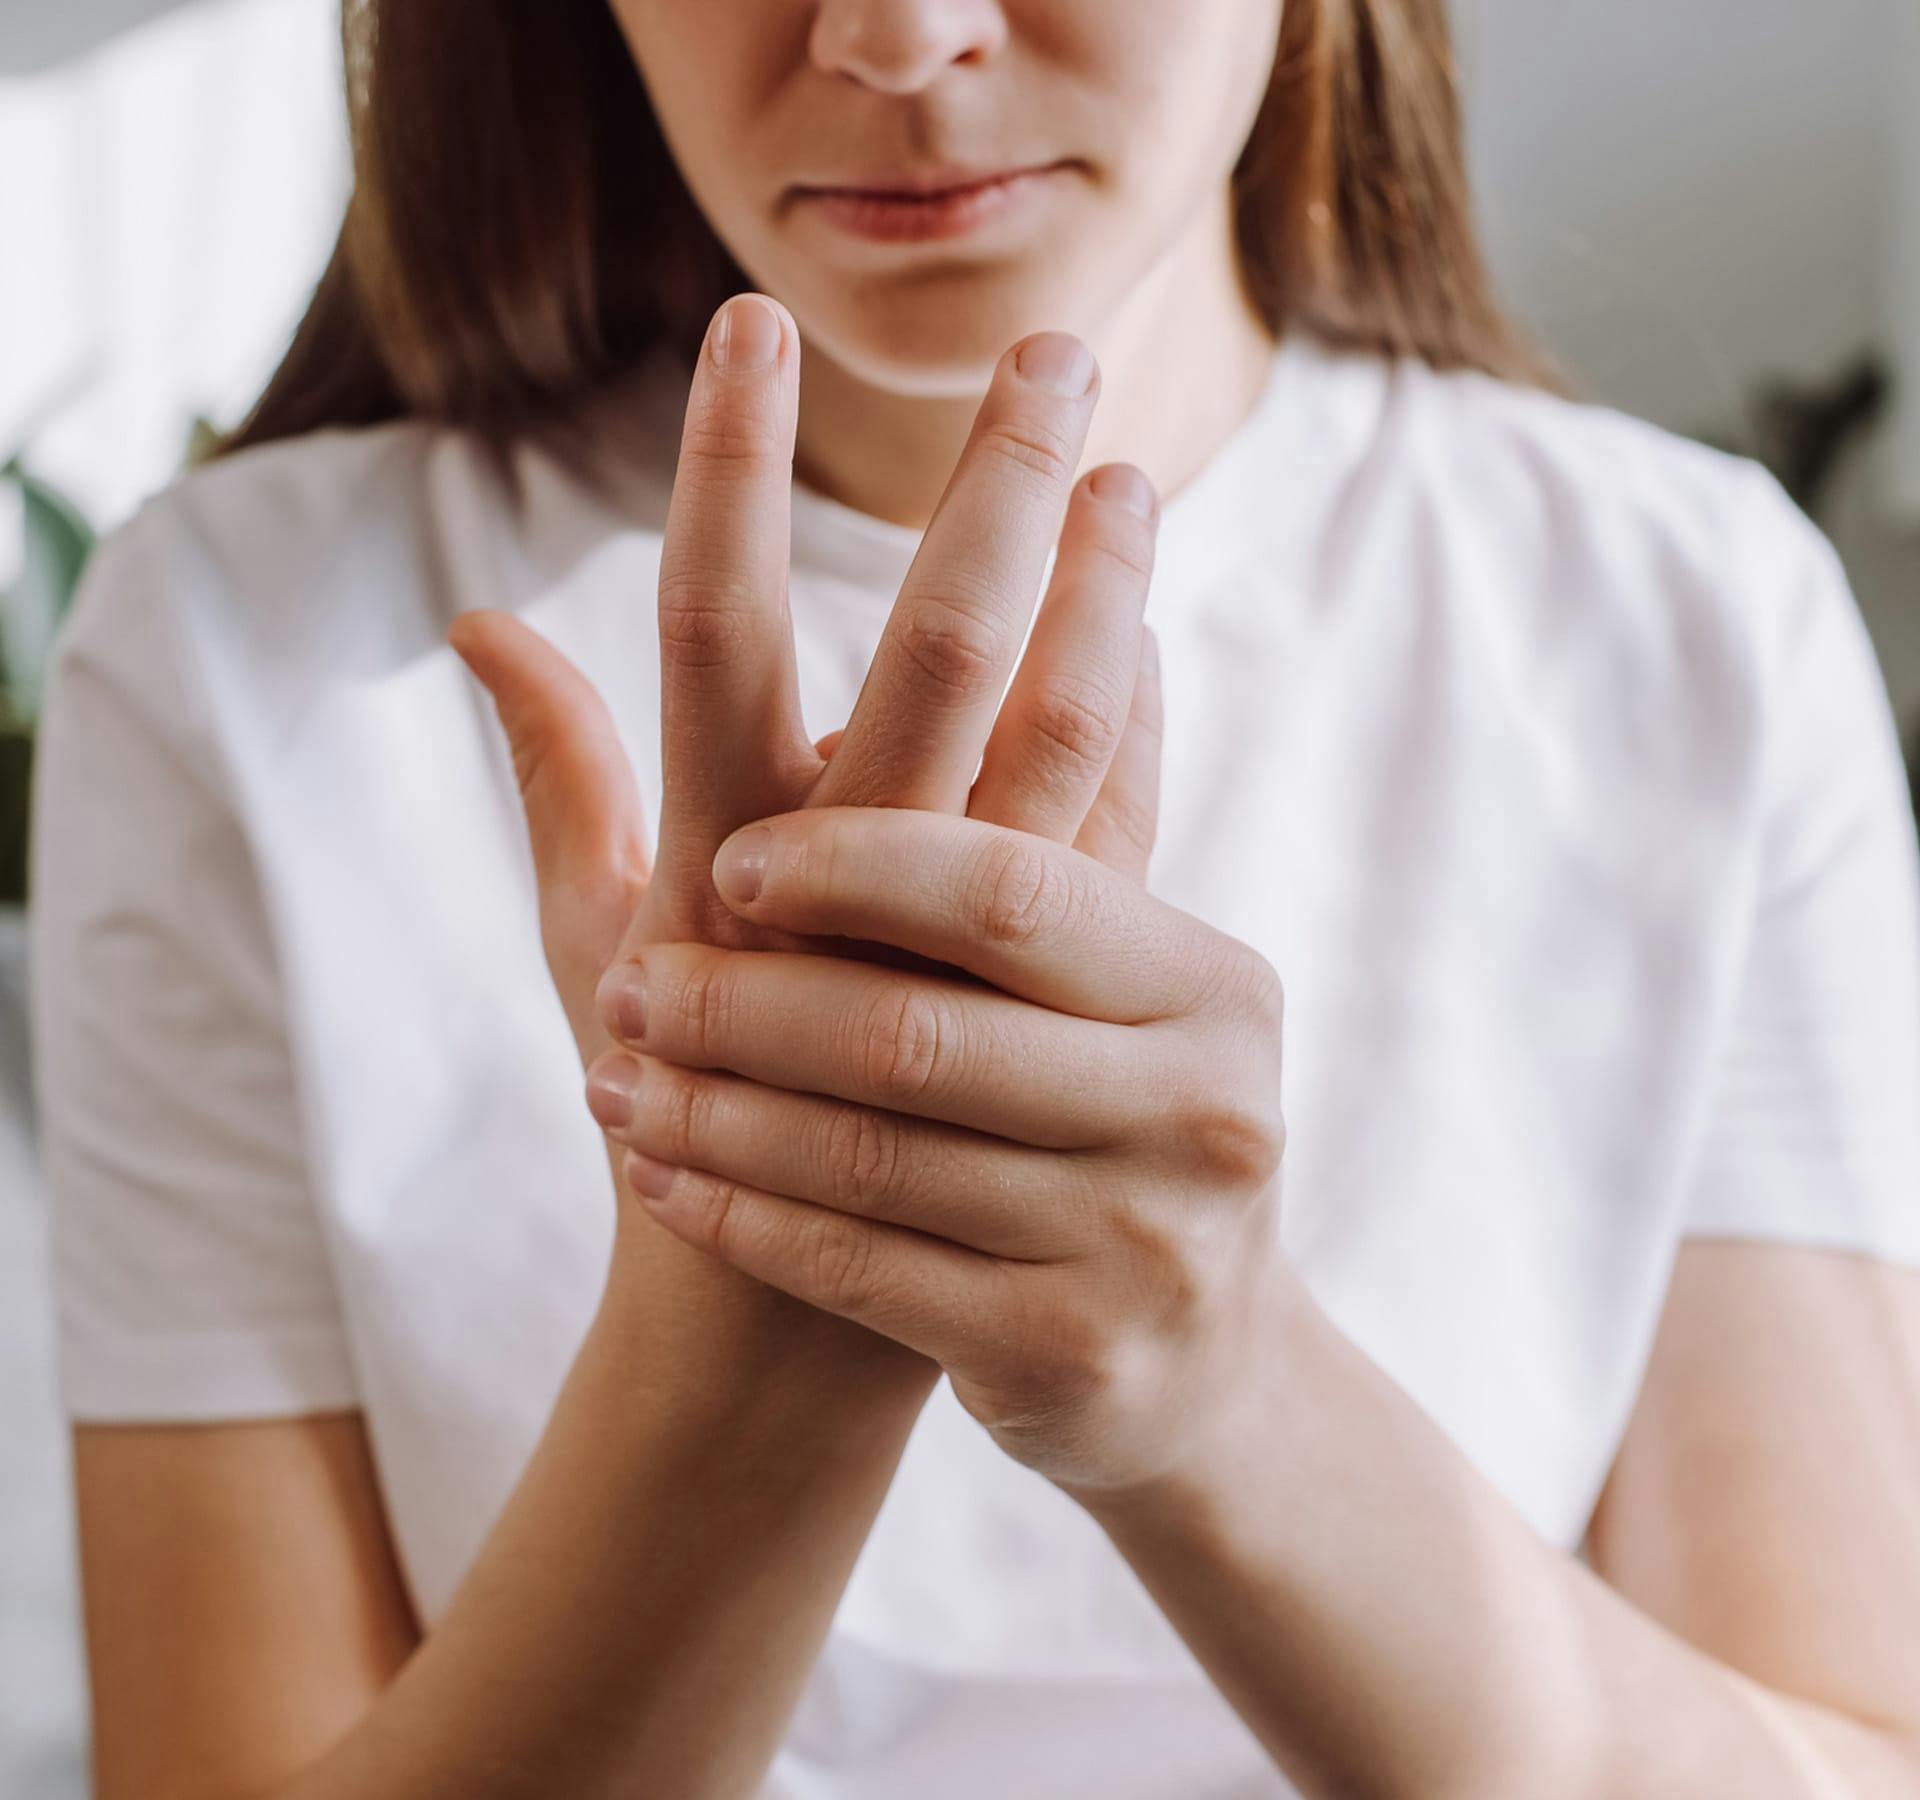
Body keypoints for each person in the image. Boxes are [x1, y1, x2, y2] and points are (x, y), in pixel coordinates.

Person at [27, 1, 1920, 1795]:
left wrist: (1218, 1388)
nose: (895, 36)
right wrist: (740, 1371)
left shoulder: (1688, 625)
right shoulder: (240, 649)